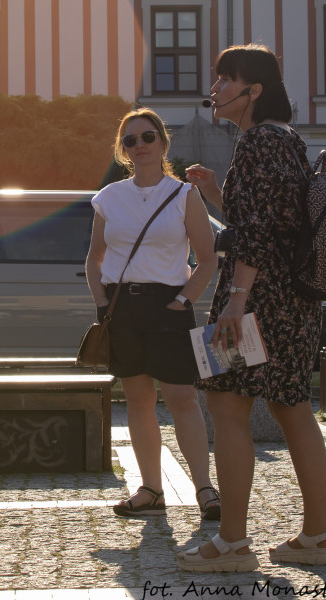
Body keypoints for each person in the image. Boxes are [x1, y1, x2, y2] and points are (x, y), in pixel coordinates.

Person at [179, 44, 326, 571]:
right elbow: (269, 217)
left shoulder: (254, 144)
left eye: (228, 79)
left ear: (254, 91)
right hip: (293, 303)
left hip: (252, 299)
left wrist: (237, 301)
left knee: (227, 406)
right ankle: (317, 536)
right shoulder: (287, 141)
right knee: (293, 408)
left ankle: (231, 544)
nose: (217, 88)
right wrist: (215, 195)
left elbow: (258, 231)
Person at [86, 107, 220, 521]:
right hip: (122, 306)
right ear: (122, 150)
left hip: (169, 305)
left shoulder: (183, 194)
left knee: (182, 398)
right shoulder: (109, 197)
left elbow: (208, 258)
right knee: (140, 400)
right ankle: (151, 489)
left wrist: (183, 301)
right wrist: (104, 303)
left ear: (162, 142)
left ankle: (205, 489)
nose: (139, 146)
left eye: (147, 137)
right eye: (130, 140)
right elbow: (94, 258)